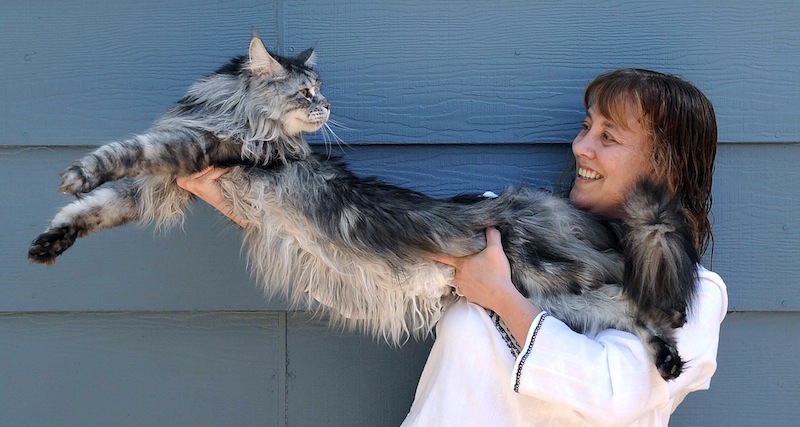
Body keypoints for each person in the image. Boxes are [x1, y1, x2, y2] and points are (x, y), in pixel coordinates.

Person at [177, 68, 728, 426]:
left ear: (664, 165)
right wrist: (240, 205)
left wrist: (502, 297)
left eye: (608, 137)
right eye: (587, 126)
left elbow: (614, 394)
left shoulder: (695, 295)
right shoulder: (498, 228)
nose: (581, 145)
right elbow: (371, 280)